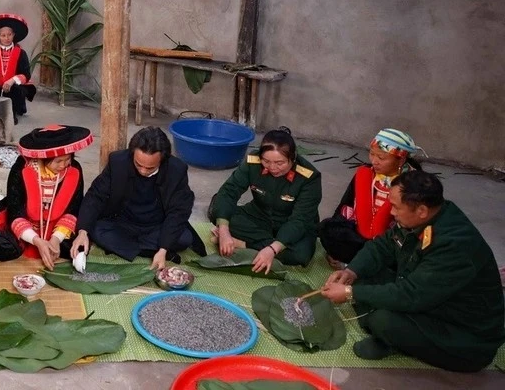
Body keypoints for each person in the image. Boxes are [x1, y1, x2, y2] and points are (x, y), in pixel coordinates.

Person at [321, 170, 505, 372]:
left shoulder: (455, 247)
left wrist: (349, 293)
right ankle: (390, 330)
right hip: (428, 298)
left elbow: (411, 295)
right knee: (363, 278)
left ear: (422, 211)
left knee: (382, 320)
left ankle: (393, 340)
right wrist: (352, 272)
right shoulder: (421, 217)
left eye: (396, 207)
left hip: (462, 335)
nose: (391, 212)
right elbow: (382, 245)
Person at [71, 127, 206, 270]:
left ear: (162, 160)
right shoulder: (118, 162)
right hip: (123, 223)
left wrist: (163, 248)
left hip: (157, 226)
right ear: (132, 154)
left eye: (150, 168)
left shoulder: (176, 170)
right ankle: (147, 250)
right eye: (138, 164)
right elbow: (95, 195)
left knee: (184, 238)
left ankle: (144, 249)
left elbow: (179, 211)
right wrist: (83, 232)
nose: (142, 171)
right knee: (97, 230)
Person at [208, 127, 321, 272]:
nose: (272, 167)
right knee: (217, 212)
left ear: (293, 158)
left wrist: (273, 250)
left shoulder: (309, 177)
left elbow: (301, 219)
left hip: (292, 222)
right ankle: (248, 241)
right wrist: (224, 230)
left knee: (300, 255)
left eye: (280, 163)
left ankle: (243, 244)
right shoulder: (253, 162)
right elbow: (229, 191)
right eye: (266, 161)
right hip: (259, 215)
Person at [0, 125, 92, 269]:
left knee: (78, 248)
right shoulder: (22, 168)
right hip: (26, 220)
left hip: (57, 223)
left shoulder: (74, 169)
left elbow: (73, 208)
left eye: (67, 159)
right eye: (58, 161)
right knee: (2, 247)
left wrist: (56, 239)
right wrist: (36, 240)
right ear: (43, 158)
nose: (63, 165)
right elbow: (16, 209)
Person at [319, 128, 423, 268]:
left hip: (390, 238)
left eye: (381, 158)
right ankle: (356, 262)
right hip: (360, 233)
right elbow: (346, 204)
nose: (374, 161)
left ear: (401, 160)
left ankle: (361, 265)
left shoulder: (415, 183)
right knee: (328, 228)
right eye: (372, 154)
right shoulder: (365, 174)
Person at [0, 13, 37, 124]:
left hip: (13, 84)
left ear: (14, 35)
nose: (6, 38)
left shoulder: (20, 52)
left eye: (9, 35)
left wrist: (11, 81)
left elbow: (26, 74)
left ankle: (11, 115)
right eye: (3, 35)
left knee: (16, 91)